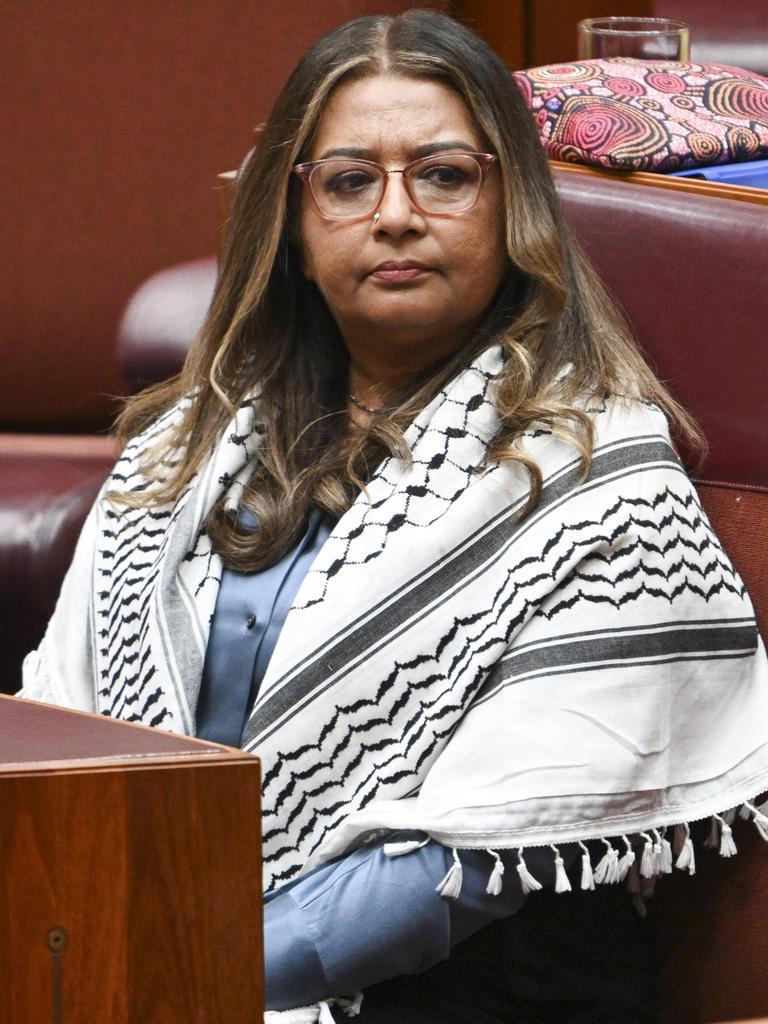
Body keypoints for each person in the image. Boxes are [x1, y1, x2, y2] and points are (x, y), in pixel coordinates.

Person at [19, 10, 768, 1023]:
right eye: (351, 179)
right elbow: (67, 751)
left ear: (515, 204)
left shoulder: (597, 475)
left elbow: (458, 872)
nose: (397, 214)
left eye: (446, 175)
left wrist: (184, 973)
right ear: (294, 213)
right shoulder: (181, 450)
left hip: (479, 994)